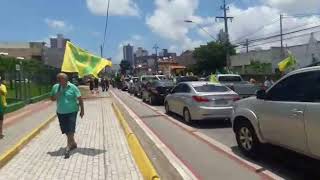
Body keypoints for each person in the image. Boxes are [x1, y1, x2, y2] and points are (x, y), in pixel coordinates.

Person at [50, 73, 84, 158]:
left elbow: (80, 99)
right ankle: (73, 143)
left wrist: (82, 110)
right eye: (60, 80)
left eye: (64, 80)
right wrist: (57, 94)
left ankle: (68, 147)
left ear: (66, 80)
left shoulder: (73, 87)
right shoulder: (55, 87)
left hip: (72, 111)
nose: (62, 82)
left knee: (70, 129)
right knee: (65, 130)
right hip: (60, 112)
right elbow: (52, 98)